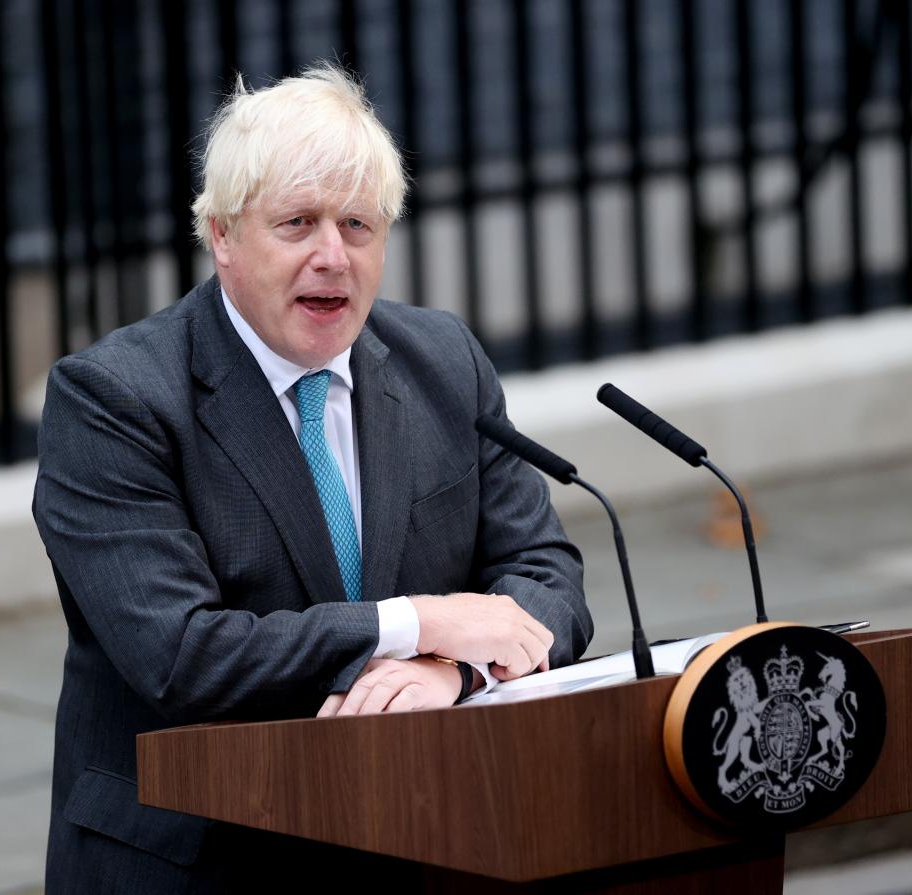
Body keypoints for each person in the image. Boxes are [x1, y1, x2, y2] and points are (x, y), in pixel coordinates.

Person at [33, 64, 592, 892]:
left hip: (423, 838)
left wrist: (452, 673)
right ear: (222, 235)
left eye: (358, 225)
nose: (333, 256)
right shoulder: (114, 399)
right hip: (204, 856)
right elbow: (184, 657)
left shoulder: (445, 363)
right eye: (297, 223)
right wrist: (419, 620)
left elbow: (549, 583)